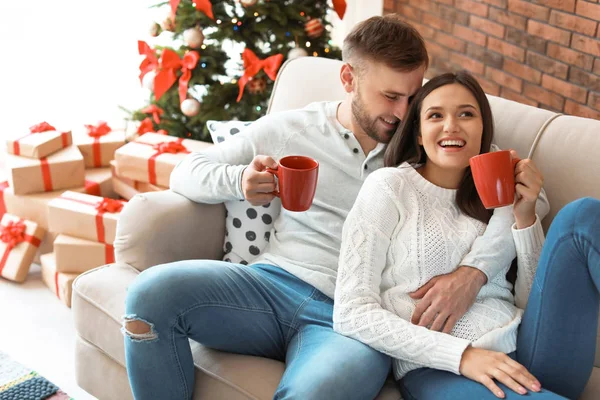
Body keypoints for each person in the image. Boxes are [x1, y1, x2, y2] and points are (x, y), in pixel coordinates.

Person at [122, 16, 545, 400]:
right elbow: (185, 172)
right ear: (348, 77)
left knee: (320, 389)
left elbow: (528, 197)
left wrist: (473, 273)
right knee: (150, 295)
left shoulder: (429, 140)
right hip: (269, 286)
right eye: (391, 96)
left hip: (351, 321)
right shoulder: (292, 129)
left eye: (412, 98)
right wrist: (240, 182)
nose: (403, 113)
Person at [333, 70, 600, 400]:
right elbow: (351, 312)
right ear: (417, 132)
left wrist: (525, 216)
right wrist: (462, 356)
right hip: (441, 370)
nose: (451, 126)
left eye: (466, 114)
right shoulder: (389, 188)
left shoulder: (499, 190)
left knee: (582, 215)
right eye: (435, 115)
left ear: (484, 129)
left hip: (534, 346)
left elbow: (531, 303)